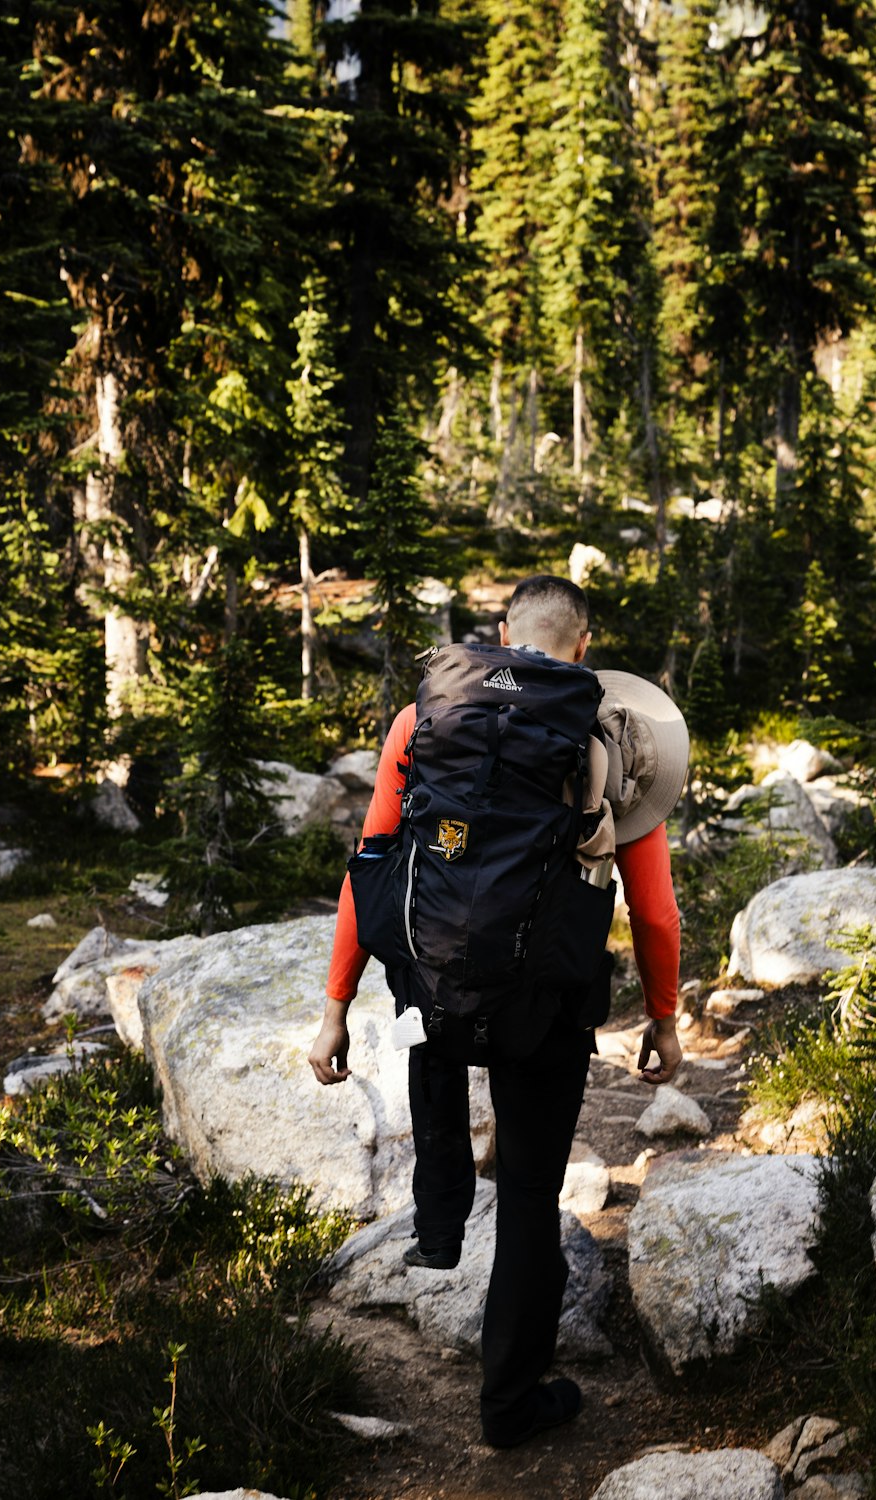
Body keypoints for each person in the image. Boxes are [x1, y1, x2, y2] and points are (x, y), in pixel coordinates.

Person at [309, 575, 684, 1449]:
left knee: (477, 1150)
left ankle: (436, 1239)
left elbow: (370, 868)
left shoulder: (425, 720)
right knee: (527, 1195)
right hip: (547, 1004)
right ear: (583, 646)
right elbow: (656, 912)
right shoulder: (611, 736)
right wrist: (663, 1018)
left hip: (433, 989)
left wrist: (336, 1006)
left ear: (503, 631)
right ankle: (511, 1402)